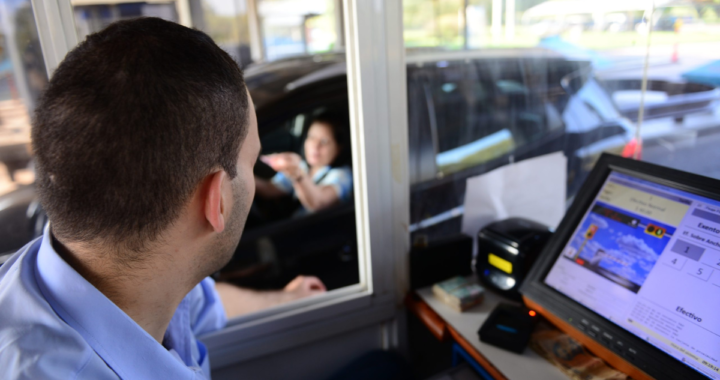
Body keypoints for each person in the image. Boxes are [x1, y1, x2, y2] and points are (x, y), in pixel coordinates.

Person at [0, 18, 325, 379]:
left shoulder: (136, 269)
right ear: (216, 201)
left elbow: (202, 306)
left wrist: (285, 299)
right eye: (252, 162)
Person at [255, 113, 353, 214]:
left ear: (338, 148)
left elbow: (319, 203)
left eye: (324, 141)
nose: (315, 146)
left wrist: (296, 174)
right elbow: (268, 189)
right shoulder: (302, 166)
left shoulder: (343, 175)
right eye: (311, 137)